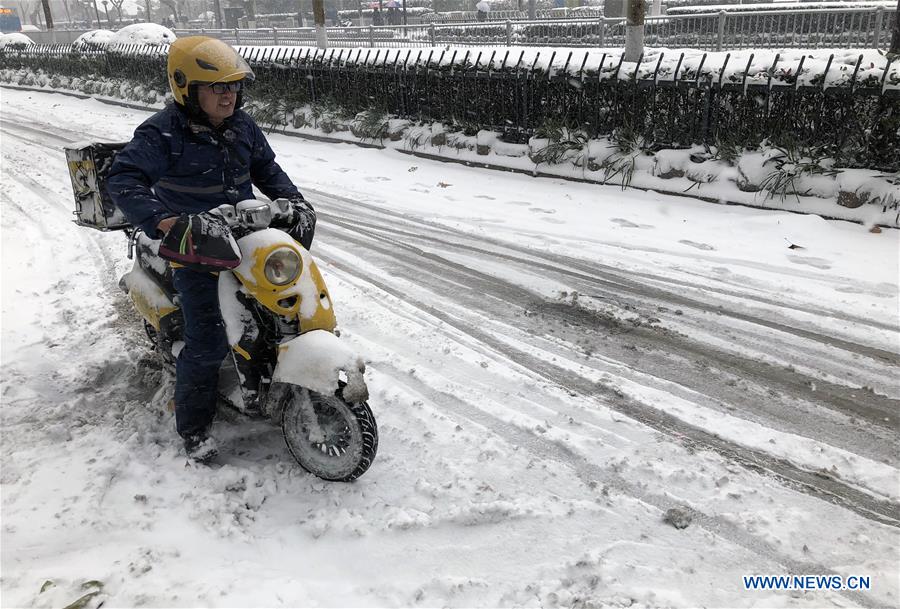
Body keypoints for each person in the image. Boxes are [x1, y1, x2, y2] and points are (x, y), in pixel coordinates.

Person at [107, 36, 316, 463]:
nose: (228, 94)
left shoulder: (244, 127)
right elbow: (123, 178)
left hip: (240, 235)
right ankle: (195, 430)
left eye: (234, 85)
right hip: (190, 245)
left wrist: (295, 204)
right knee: (206, 342)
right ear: (186, 87)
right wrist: (166, 221)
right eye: (216, 86)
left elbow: (268, 172)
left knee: (289, 307)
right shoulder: (162, 132)